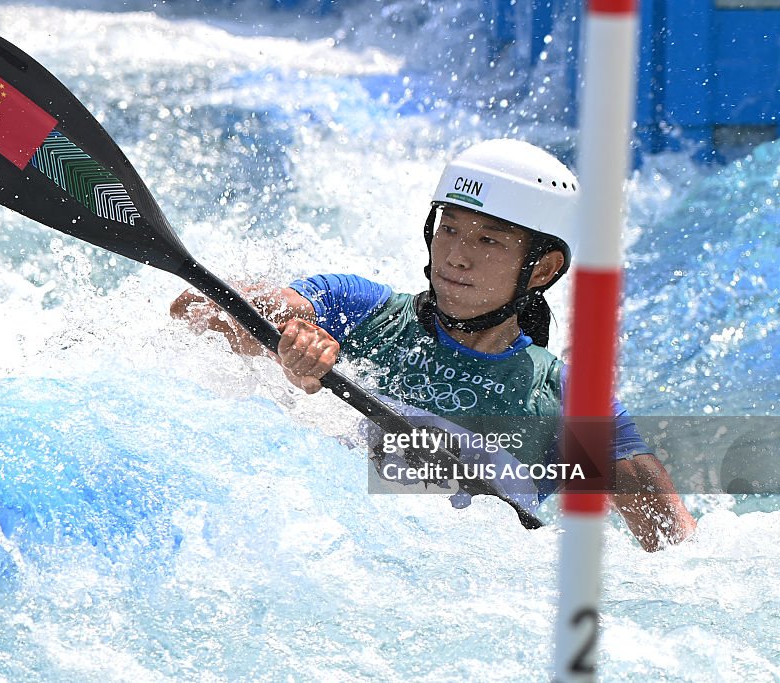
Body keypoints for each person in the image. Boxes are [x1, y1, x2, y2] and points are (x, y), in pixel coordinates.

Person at [171, 139, 697, 552]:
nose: (456, 256)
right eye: (449, 229)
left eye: (488, 240)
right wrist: (287, 331)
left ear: (542, 269)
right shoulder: (360, 309)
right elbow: (191, 309)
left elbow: (679, 552)